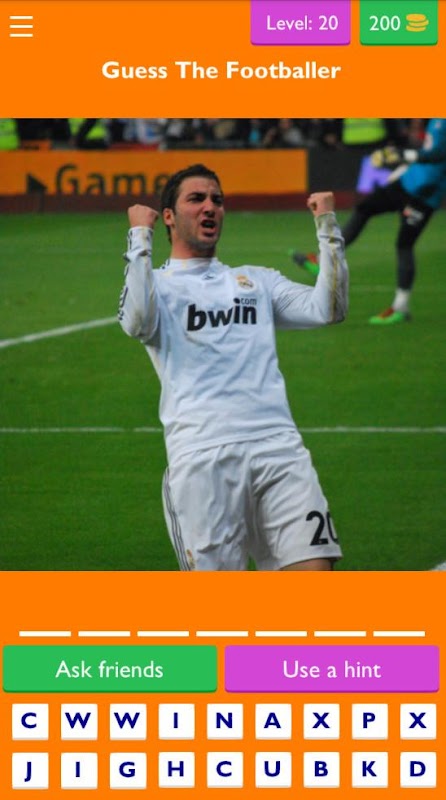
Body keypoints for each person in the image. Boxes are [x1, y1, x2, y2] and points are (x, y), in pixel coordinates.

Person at [118, 164, 348, 571]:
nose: (210, 207)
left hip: (279, 448)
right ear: (168, 216)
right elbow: (136, 322)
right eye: (196, 199)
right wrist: (139, 237)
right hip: (204, 459)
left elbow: (328, 308)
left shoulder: (257, 281)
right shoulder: (158, 286)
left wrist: (327, 226)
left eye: (217, 200)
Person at [292, 118, 446, 325]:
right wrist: (400, 163)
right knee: (364, 208)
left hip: (424, 194)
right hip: (407, 182)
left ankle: (400, 307)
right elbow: (430, 149)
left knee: (404, 244)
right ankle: (321, 261)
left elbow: (439, 154)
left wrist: (405, 154)